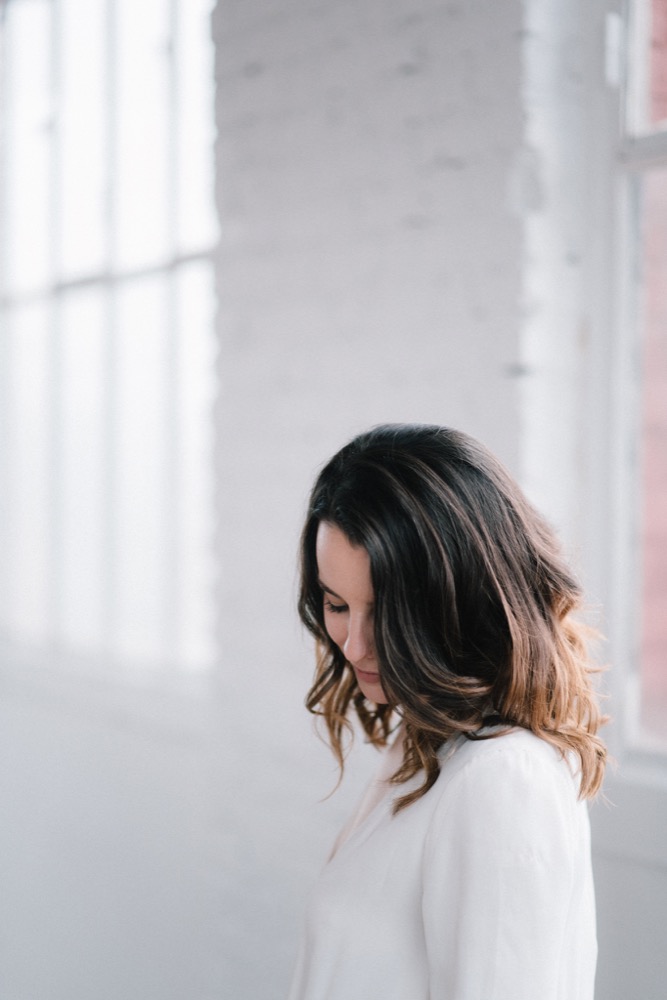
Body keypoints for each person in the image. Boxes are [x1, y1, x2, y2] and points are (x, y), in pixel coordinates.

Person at [288, 423, 607, 1000]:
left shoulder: (503, 780)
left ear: (462, 597)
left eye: (385, 613)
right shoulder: (430, 739)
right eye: (336, 605)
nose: (354, 646)